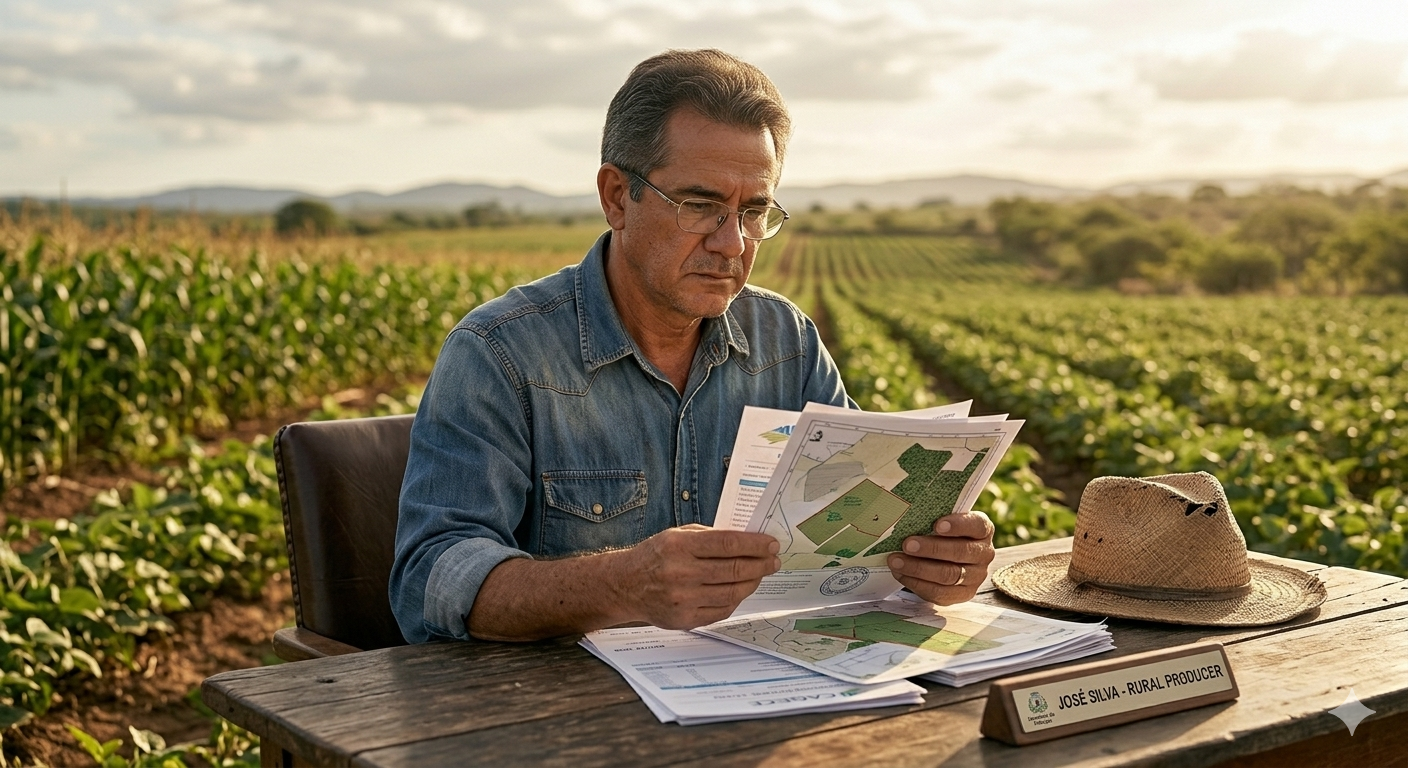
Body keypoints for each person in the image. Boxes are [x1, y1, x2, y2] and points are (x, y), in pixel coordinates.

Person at [389, 49, 996, 644]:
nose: (732, 244)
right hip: (561, 717)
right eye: (701, 206)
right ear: (617, 197)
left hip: (765, 692)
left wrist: (929, 561)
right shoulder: (500, 353)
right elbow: (429, 579)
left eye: (754, 211)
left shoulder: (788, 344)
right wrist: (619, 585)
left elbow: (868, 535)